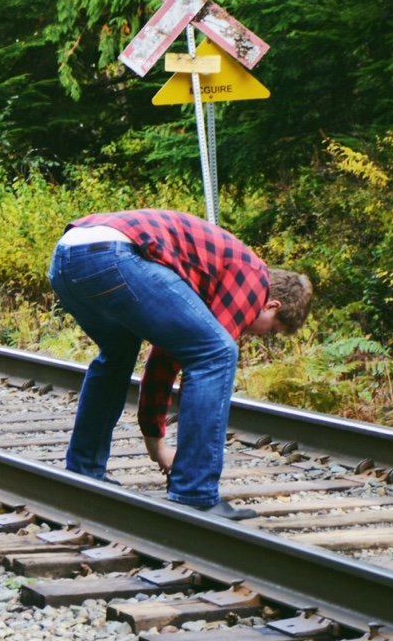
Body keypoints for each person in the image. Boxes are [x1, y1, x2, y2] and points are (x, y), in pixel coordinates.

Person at [47, 209, 311, 508]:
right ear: (271, 305)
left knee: (117, 354)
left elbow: (165, 360)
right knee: (218, 352)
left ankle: (84, 471)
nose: (261, 336)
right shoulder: (253, 277)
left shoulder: (217, 276)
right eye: (273, 330)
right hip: (112, 255)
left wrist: (154, 444)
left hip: (68, 256)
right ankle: (195, 491)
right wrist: (158, 446)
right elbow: (202, 359)